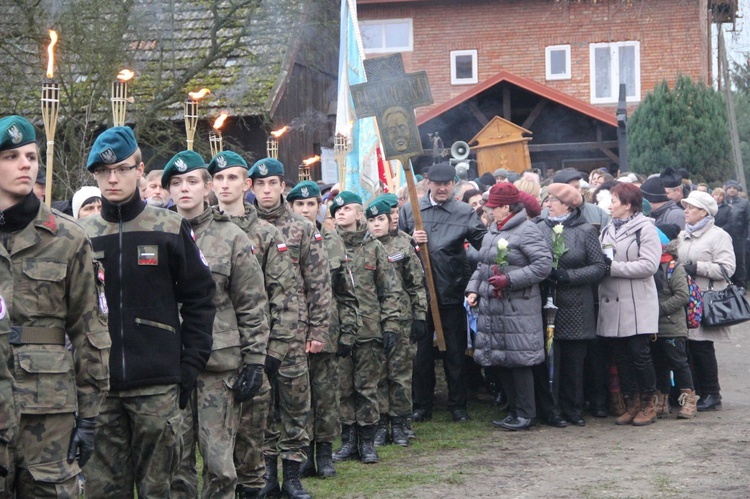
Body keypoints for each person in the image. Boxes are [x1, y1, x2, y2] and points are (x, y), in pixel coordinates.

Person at [80, 126, 216, 497]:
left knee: (162, 489)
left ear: (140, 170)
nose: (113, 178)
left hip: (157, 387)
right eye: (103, 172)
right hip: (101, 389)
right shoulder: (81, 235)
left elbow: (201, 298)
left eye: (122, 169)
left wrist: (189, 365)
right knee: (103, 490)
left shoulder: (169, 228)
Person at [0, 115, 111, 497]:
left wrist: (90, 416)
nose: (25, 164)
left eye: (30, 156)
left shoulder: (67, 238)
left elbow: (90, 331)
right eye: (11, 156)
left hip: (47, 412)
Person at [162, 151, 269, 498]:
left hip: (217, 367)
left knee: (220, 465)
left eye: (192, 181)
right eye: (175, 183)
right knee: (175, 465)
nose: (184, 190)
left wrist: (254, 361)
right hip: (169, 365)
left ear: (208, 186)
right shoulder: (156, 233)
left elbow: (251, 304)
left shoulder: (232, 237)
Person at [207, 151, 300, 498]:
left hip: (252, 353)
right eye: (219, 178)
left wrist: (272, 353)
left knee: (251, 446)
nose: (225, 185)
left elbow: (286, 297)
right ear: (211, 184)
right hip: (212, 353)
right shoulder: (198, 231)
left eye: (233, 178)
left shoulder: (265, 232)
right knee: (213, 451)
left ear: (246, 185)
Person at [249, 157, 330, 499]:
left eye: (273, 184)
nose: (266, 190)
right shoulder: (243, 228)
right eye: (260, 185)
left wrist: (318, 330)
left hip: (295, 332)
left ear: (283, 187)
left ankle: (293, 476)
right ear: (251, 189)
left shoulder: (302, 227)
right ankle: (267, 474)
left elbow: (319, 283)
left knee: (297, 405)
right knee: (262, 406)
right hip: (257, 333)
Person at [399, 162, 487, 422]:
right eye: (438, 183)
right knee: (422, 354)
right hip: (419, 294)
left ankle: (458, 405)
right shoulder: (410, 210)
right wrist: (411, 241)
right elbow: (395, 247)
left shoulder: (463, 212)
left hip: (451, 289)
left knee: (455, 352)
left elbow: (485, 244)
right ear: (428, 183)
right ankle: (421, 405)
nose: (442, 188)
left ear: (454, 185)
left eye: (447, 183)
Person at [287, 180, 360, 478]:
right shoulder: (281, 238)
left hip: (326, 333)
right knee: (296, 400)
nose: (305, 210)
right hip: (291, 333)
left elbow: (346, 291)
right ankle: (301, 454)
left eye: (311, 204)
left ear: (320, 207)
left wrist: (348, 331)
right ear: (291, 207)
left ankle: (325, 454)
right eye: (300, 204)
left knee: (327, 397)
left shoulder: (332, 241)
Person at [465, 183, 552, 431]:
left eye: (493, 207)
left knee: (519, 361)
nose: (490, 211)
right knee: (500, 359)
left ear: (506, 207)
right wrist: (473, 290)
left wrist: (510, 279)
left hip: (517, 307)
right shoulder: (493, 231)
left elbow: (543, 265)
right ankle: (514, 411)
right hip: (494, 306)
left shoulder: (527, 231)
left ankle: (526, 413)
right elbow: (482, 267)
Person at [330, 192, 400, 463]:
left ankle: (368, 441)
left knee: (367, 387)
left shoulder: (374, 248)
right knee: (343, 388)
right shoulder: (329, 245)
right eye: (336, 209)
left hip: (369, 329)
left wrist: (391, 324)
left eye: (347, 208)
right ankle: (348, 440)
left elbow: (389, 289)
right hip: (339, 331)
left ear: (360, 214)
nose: (341, 213)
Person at [535, 183, 606, 427]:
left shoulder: (585, 230)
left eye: (552, 200)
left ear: (566, 204)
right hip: (547, 302)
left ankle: (573, 408)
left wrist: (569, 276)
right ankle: (551, 409)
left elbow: (599, 267)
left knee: (574, 362)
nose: (547, 205)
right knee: (549, 358)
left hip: (576, 304)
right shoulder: (539, 227)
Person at [365, 196, 427, 447]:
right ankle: (381, 423)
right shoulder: (364, 247)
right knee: (378, 373)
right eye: (372, 220)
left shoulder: (403, 245)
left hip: (401, 319)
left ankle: (401, 423)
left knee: (400, 374)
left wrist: (420, 315)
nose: (377, 224)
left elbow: (416, 283)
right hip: (373, 319)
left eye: (381, 218)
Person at [597, 183, 661, 426]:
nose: (610, 205)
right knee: (621, 356)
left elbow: (649, 266)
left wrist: (612, 268)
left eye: (614, 200)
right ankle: (631, 403)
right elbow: (604, 258)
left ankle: (648, 404)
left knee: (639, 354)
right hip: (612, 301)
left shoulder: (645, 229)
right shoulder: (606, 229)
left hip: (637, 303)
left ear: (628, 204)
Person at [677, 191, 736, 412]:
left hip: (705, 298)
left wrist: (697, 267)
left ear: (703, 211)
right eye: (686, 206)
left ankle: (712, 393)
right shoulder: (683, 235)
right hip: (686, 298)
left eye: (691, 207)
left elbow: (728, 269)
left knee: (702, 347)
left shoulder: (719, 235)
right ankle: (697, 392)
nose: (686, 210)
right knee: (689, 347)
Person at [651, 224, 698, 419]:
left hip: (672, 326)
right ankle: (661, 401)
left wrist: (657, 310)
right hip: (654, 327)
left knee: (679, 363)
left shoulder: (673, 267)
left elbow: (682, 296)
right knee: (659, 364)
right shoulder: (652, 266)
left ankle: (688, 400)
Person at [721, 180, 749, 288]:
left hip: (739, 236)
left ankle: (741, 284)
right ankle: (728, 283)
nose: (732, 190)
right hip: (724, 236)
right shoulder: (722, 202)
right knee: (726, 259)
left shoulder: (744, 203)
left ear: (738, 190)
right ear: (726, 189)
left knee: (740, 261)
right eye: (730, 188)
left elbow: (748, 220)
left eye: (734, 188)